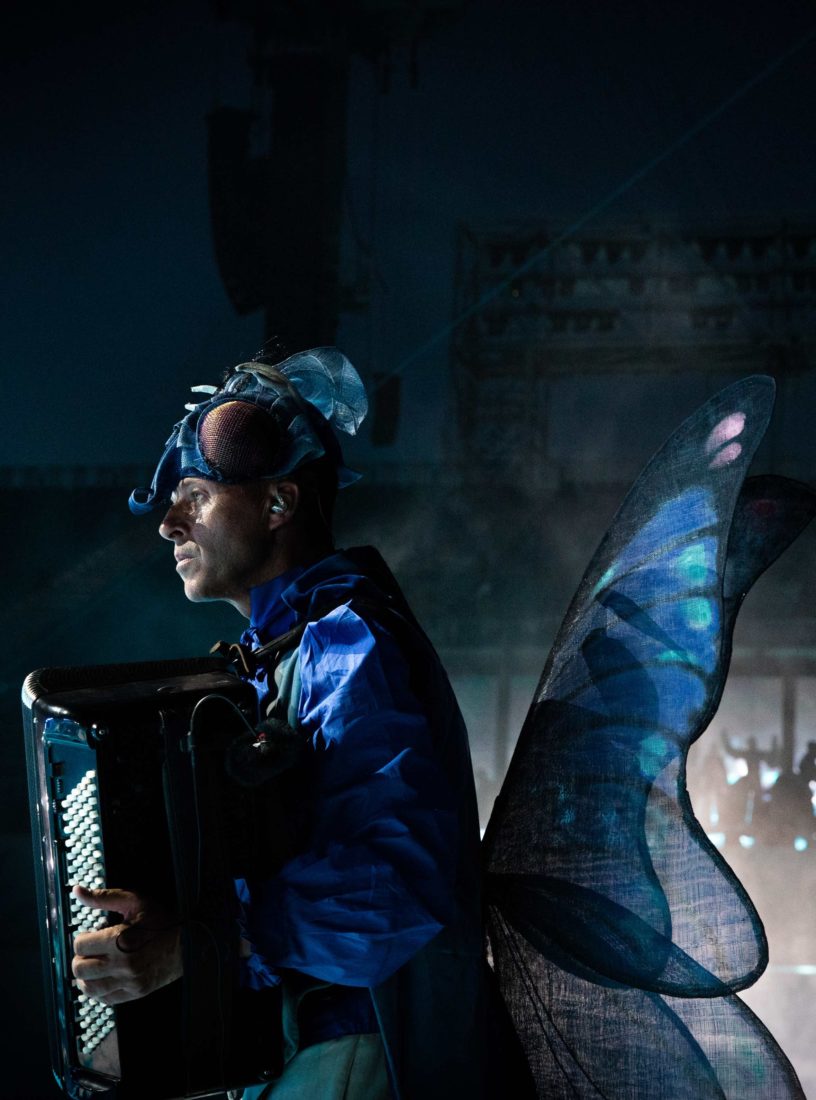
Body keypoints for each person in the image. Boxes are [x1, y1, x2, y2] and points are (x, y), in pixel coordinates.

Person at [70, 347, 531, 1099]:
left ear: (279, 505)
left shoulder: (348, 643)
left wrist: (196, 943)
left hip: (363, 1049)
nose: (169, 524)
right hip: (312, 1050)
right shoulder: (287, 651)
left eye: (195, 494)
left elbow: (393, 888)